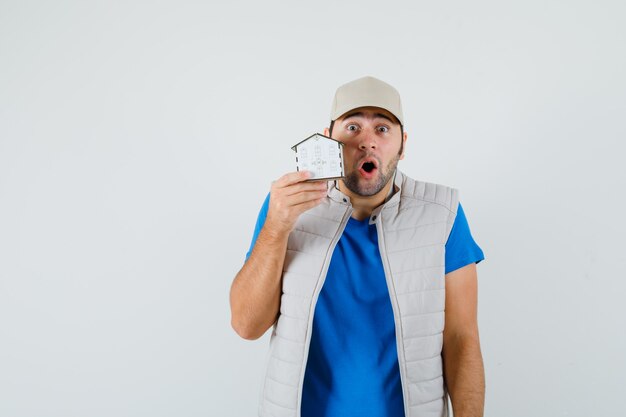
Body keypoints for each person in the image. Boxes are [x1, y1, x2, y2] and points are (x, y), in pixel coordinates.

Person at [230, 76, 485, 417]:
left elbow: (461, 340)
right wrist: (276, 227)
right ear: (328, 138)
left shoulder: (443, 214)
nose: (367, 142)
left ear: (403, 144)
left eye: (382, 129)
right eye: (352, 127)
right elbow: (246, 326)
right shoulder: (286, 207)